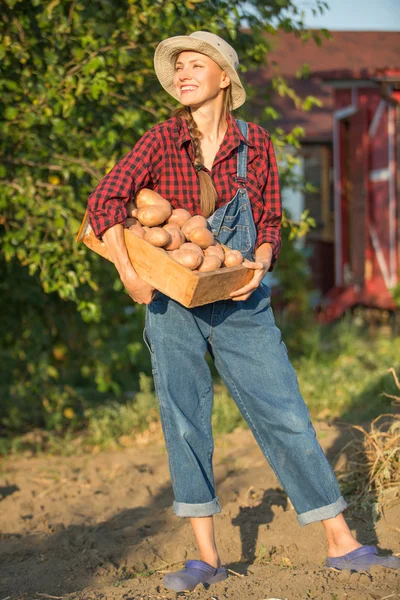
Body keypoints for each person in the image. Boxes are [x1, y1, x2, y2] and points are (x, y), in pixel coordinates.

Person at [86, 31, 400, 592]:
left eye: (194, 63)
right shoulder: (160, 140)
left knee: (285, 410)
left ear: (225, 76)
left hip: (241, 298)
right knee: (184, 419)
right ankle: (206, 558)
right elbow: (103, 202)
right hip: (171, 301)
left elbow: (272, 222)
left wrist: (258, 264)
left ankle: (342, 542)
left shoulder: (255, 143)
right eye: (176, 67)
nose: (182, 73)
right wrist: (131, 275)